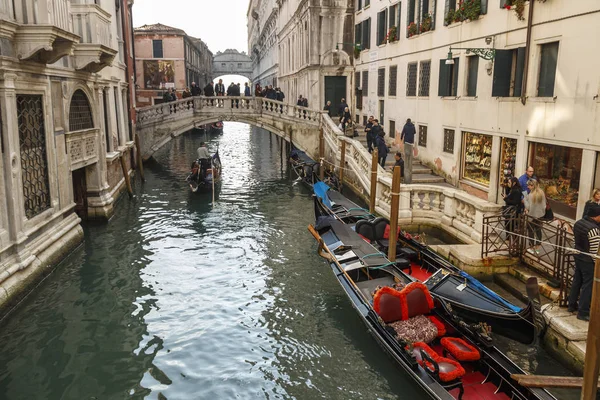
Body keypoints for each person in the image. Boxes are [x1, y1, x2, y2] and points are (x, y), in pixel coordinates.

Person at [568, 203, 600, 321]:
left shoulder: (578, 223)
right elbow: (594, 250)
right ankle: (583, 312)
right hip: (587, 260)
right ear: (596, 216)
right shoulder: (593, 230)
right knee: (588, 285)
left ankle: (571, 305)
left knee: (577, 280)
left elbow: (574, 240)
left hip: (578, 256)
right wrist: (596, 263)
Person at [524, 179, 547, 254]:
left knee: (531, 231)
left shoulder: (531, 195)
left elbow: (528, 207)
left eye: (529, 185)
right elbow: (544, 205)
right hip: (540, 215)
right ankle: (537, 248)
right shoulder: (541, 192)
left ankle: (531, 247)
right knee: (538, 230)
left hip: (531, 216)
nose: (528, 187)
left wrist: (525, 199)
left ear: (532, 186)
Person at [400, 118, 416, 184]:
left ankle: (406, 156)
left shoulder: (405, 126)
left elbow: (403, 132)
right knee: (410, 150)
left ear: (407, 121)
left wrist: (401, 138)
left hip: (406, 140)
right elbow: (415, 132)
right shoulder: (413, 126)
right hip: (411, 140)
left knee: (406, 151)